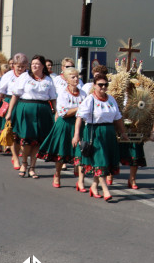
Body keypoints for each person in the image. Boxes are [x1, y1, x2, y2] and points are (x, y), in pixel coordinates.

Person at [72, 72, 130, 201]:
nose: (103, 87)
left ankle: (94, 185)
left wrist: (123, 133)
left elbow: (118, 118)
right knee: (100, 160)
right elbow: (79, 117)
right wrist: (76, 135)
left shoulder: (111, 99)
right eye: (100, 85)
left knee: (104, 161)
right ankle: (105, 190)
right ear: (94, 85)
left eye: (105, 85)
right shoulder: (90, 99)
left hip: (108, 132)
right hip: (94, 132)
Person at [6, 54, 57, 179]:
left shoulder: (48, 80)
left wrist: (56, 112)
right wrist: (9, 112)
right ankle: (24, 163)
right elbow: (15, 95)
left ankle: (32, 167)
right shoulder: (24, 77)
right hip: (25, 108)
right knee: (26, 140)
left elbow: (53, 98)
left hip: (43, 110)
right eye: (33, 63)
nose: (34, 66)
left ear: (42, 66)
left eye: (37, 64)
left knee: (38, 141)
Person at [38, 67, 84, 188]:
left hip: (79, 124)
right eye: (73, 77)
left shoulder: (83, 93)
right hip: (65, 124)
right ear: (67, 79)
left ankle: (80, 181)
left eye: (77, 76)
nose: (76, 79)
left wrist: (78, 111)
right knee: (62, 151)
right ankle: (57, 174)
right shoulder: (63, 93)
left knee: (80, 151)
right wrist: (78, 109)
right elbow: (63, 112)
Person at [0, 56, 25, 168]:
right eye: (18, 66)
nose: (20, 69)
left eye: (22, 66)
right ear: (13, 65)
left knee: (22, 133)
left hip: (24, 103)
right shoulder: (8, 76)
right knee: (11, 131)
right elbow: (0, 93)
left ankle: (18, 153)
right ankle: (15, 157)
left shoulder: (28, 76)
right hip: (10, 102)